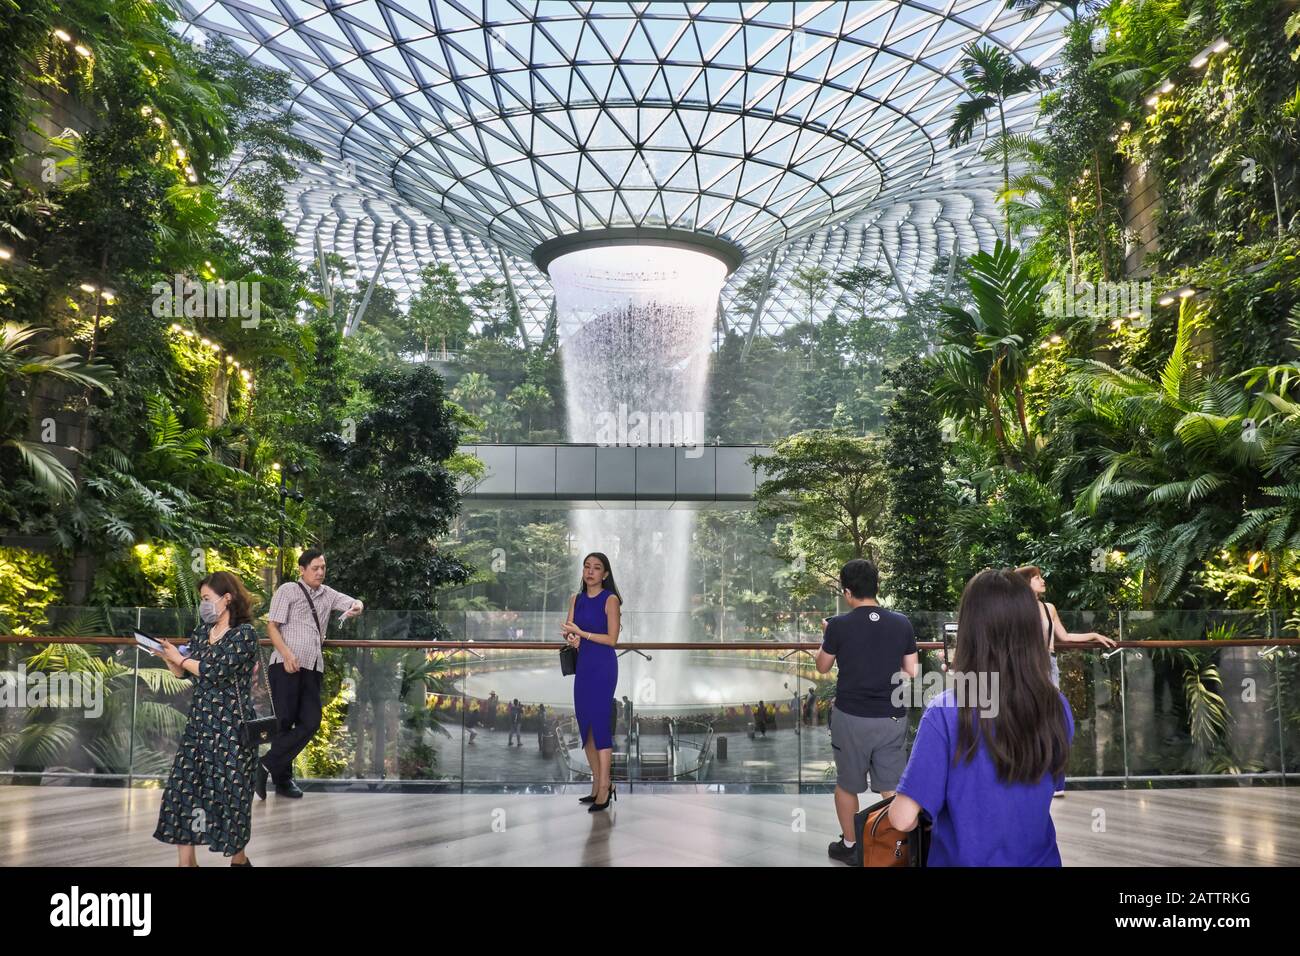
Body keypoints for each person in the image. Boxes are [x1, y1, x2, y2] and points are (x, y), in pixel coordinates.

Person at [888, 569, 1075, 866]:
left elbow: (902, 819)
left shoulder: (945, 711)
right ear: (1030, 629)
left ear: (969, 630)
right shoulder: (1058, 706)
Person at [152, 572, 260, 866]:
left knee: (231, 799)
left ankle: (239, 861)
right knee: (182, 791)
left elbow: (214, 670)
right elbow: (185, 673)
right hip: (200, 725)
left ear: (228, 598)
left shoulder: (244, 635)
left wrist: (182, 659)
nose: (203, 605)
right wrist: (168, 658)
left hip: (232, 730)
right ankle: (186, 863)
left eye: (206, 599)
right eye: (201, 600)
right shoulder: (202, 631)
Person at [821, 559, 919, 864]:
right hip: (891, 716)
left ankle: (851, 846)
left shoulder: (838, 625)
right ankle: (898, 848)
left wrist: (827, 635)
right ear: (877, 587)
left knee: (847, 784)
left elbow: (822, 666)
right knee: (891, 786)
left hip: (851, 717)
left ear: (847, 592)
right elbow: (912, 671)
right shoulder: (901, 622)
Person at [259, 549, 363, 799]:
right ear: (302, 570)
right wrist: (286, 654)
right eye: (315, 568)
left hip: (313, 667)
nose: (320, 572)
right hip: (285, 666)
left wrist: (357, 606)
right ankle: (283, 781)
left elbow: (354, 602)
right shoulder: (288, 590)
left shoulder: (328, 594)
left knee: (311, 721)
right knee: (284, 723)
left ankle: (265, 764)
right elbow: (272, 626)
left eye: (323, 568)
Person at [1015, 565, 1116, 798]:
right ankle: (1031, 778)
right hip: (1027, 667)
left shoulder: (1048, 608)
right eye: (1037, 578)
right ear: (1025, 583)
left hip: (1048, 666)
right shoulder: (1017, 608)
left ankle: (1055, 780)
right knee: (1030, 721)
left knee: (1055, 722)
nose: (1043, 581)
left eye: (1041, 577)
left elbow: (1065, 636)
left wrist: (1092, 635)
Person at [563, 552, 622, 812]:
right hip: (584, 666)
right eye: (587, 567)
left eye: (596, 568)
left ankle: (604, 787)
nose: (590, 571)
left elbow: (611, 640)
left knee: (599, 725)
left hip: (603, 668)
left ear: (605, 574)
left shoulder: (611, 600)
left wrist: (581, 633)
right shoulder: (574, 599)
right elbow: (569, 632)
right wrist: (573, 641)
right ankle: (598, 783)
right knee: (585, 727)